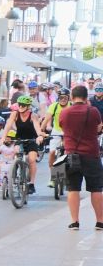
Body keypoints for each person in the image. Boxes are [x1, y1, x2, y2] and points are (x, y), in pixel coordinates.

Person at [59, 85, 103, 230]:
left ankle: (74, 222)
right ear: (86, 97)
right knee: (96, 189)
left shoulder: (65, 112)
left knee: (73, 188)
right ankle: (100, 221)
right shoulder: (93, 111)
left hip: (72, 155)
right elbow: (98, 127)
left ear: (72, 97)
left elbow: (62, 127)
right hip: (91, 154)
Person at [3, 94, 44, 195]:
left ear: (28, 106)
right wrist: (3, 137)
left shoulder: (33, 115)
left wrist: (39, 136)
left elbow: (37, 128)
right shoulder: (15, 114)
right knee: (17, 153)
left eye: (23, 105)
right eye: (20, 105)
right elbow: (8, 126)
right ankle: (14, 172)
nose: (21, 107)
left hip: (31, 140)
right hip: (20, 139)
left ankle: (31, 184)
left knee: (31, 160)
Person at [43, 88, 71, 169]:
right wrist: (41, 132)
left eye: (65, 98)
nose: (63, 100)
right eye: (61, 97)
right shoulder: (54, 106)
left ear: (68, 98)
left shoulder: (72, 105)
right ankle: (52, 174)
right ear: (58, 98)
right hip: (57, 130)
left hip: (69, 132)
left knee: (68, 151)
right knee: (52, 152)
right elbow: (46, 119)